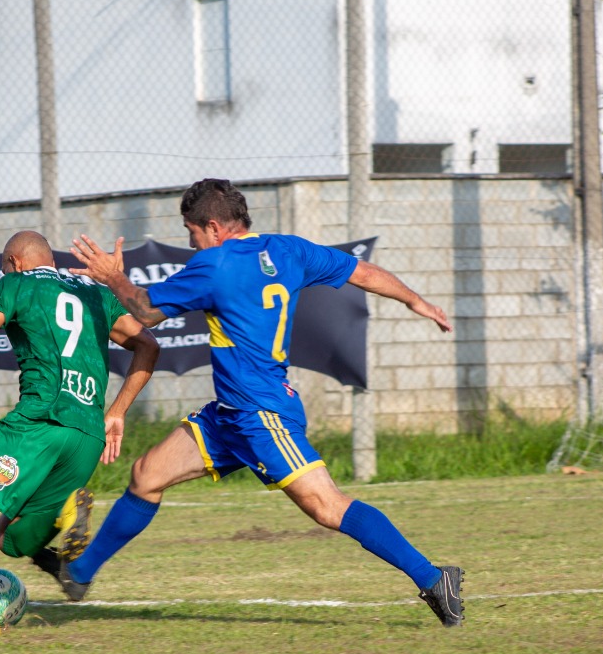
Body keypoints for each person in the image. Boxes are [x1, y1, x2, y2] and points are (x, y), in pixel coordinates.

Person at [64, 178, 465, 627]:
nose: (190, 240)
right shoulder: (288, 250)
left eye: (191, 230)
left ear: (213, 227)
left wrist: (112, 276)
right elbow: (363, 272)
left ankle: (433, 577)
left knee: (326, 506)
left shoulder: (215, 265)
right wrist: (417, 301)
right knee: (146, 474)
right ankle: (77, 574)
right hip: (229, 415)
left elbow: (145, 311)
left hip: (263, 415)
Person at [0, 230, 159, 641]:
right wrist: (118, 412)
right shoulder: (95, 294)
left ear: (16, 262)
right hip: (87, 434)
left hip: (40, 421)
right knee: (9, 538)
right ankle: (62, 511)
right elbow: (148, 345)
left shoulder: (15, 284)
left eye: (5, 268)